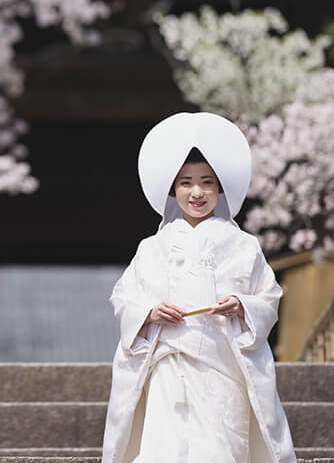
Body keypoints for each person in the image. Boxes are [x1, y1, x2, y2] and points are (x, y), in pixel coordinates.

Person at [101, 112, 296, 463]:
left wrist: (241, 305)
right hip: (167, 364)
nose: (196, 192)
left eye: (207, 182)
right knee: (166, 449)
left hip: (223, 365)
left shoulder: (243, 245)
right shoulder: (152, 247)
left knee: (220, 449)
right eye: (186, 183)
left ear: (219, 187)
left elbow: (269, 298)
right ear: (173, 190)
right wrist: (148, 311)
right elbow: (123, 296)